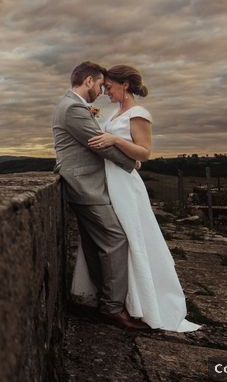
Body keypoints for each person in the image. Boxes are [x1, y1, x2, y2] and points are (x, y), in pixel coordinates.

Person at [84, 64, 201, 332]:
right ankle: (119, 297)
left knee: (131, 236)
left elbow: (145, 153)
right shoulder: (116, 112)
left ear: (124, 84)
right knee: (115, 237)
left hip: (124, 184)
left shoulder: (138, 113)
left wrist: (115, 141)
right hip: (110, 178)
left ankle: (141, 302)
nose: (106, 92)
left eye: (109, 87)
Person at [51, 61, 150, 330]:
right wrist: (132, 163)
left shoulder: (71, 105)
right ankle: (112, 308)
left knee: (97, 244)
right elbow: (98, 144)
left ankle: (101, 299)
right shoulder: (73, 108)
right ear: (89, 81)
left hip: (86, 183)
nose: (101, 91)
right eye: (100, 85)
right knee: (116, 239)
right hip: (85, 185)